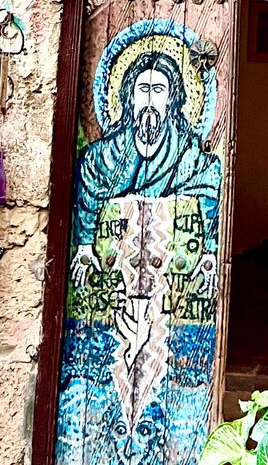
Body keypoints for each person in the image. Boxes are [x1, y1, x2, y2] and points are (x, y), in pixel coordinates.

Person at [70, 49, 222, 288]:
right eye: (143, 89)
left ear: (172, 99)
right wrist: (85, 245)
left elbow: (210, 186)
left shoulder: (188, 155)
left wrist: (210, 250)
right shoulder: (102, 156)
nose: (150, 100)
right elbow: (88, 186)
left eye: (158, 90)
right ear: (129, 96)